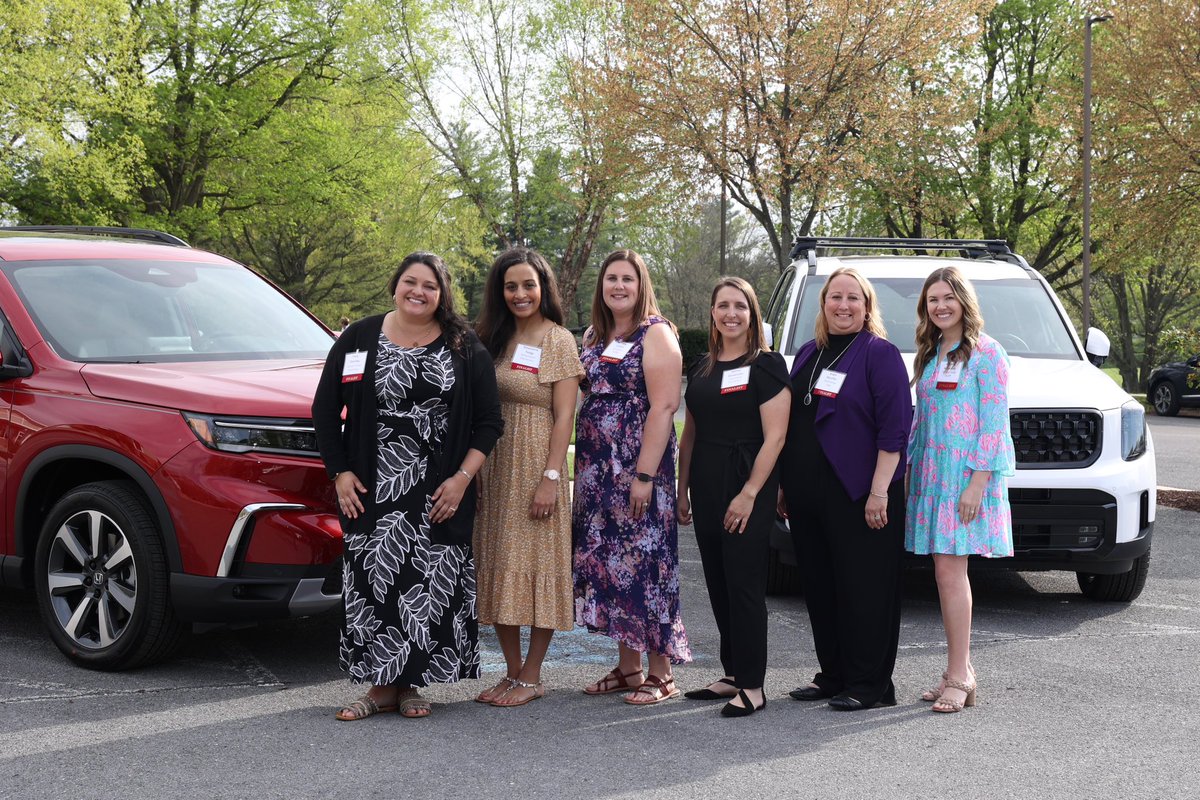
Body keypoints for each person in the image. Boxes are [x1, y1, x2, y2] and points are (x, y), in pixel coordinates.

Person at [312, 251, 503, 721]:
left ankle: (413, 684)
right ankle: (379, 688)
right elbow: (323, 408)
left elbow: (488, 422)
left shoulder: (463, 344)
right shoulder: (359, 336)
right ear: (395, 285)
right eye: (410, 282)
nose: (419, 292)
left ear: (443, 294)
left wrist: (462, 480)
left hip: (440, 487)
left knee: (427, 580)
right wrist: (340, 472)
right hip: (372, 481)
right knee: (376, 578)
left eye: (430, 286)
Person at [778, 266, 911, 711]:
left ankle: (869, 684)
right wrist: (784, 486)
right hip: (808, 495)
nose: (843, 305)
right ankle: (833, 674)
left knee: (864, 590)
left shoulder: (880, 354)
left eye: (853, 298)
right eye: (835, 297)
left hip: (861, 494)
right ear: (824, 304)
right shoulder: (807, 354)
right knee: (821, 586)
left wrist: (879, 492)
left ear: (867, 306)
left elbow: (895, 431)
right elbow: (794, 424)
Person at [573, 249, 691, 705]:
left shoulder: (656, 334)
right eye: (611, 279)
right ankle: (628, 667)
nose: (618, 286)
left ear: (642, 285)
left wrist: (644, 475)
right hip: (596, 473)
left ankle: (661, 672)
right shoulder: (595, 334)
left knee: (646, 563)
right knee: (613, 565)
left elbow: (663, 407)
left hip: (639, 468)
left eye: (627, 279)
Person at [472, 247, 583, 707]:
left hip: (538, 462)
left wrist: (551, 477)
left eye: (529, 285)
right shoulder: (492, 338)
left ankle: (533, 674)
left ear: (544, 288)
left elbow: (564, 417)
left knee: (538, 565)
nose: (520, 294)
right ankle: (513, 674)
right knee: (499, 563)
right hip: (496, 468)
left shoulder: (558, 339)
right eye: (511, 286)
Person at [677, 277, 790, 717]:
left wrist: (749, 494)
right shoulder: (702, 367)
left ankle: (754, 685)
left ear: (752, 313)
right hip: (705, 481)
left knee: (743, 583)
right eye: (723, 305)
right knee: (719, 582)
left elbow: (776, 436)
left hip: (748, 482)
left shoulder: (767, 365)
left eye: (739, 306)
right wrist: (682, 488)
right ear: (712, 313)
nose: (731, 314)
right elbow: (690, 433)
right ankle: (732, 673)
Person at [906, 266, 1015, 713]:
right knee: (942, 574)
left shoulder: (988, 354)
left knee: (952, 574)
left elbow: (995, 423)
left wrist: (977, 483)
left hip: (965, 479)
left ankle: (961, 676)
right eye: (933, 299)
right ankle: (957, 669)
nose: (941, 305)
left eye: (948, 297)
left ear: (964, 301)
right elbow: (922, 420)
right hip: (932, 477)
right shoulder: (931, 353)